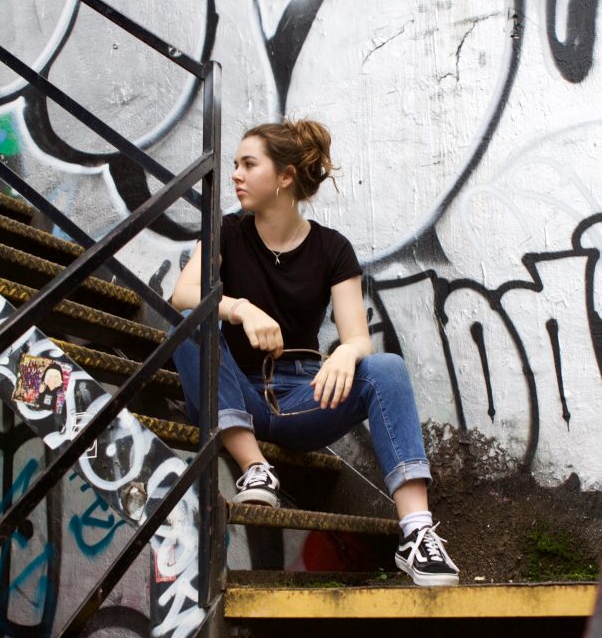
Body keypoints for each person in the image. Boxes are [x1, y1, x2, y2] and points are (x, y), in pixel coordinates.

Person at [171, 119, 459, 586]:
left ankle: (417, 534)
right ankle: (255, 468)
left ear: (285, 176)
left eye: (249, 164)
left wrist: (347, 354)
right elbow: (183, 295)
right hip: (235, 389)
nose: (236, 175)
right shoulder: (226, 231)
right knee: (192, 321)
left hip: (303, 396)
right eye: (236, 165)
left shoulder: (332, 248)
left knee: (384, 367)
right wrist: (240, 308)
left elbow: (357, 336)